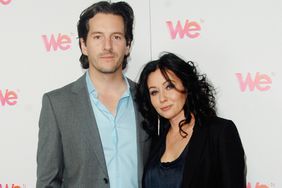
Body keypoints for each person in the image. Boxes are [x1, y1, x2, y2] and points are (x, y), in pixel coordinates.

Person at [36, 1, 150, 188]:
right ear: (83, 45)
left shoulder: (148, 98)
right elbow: (48, 182)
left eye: (116, 37)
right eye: (98, 37)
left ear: (128, 45)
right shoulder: (57, 104)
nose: (107, 46)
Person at [136, 52, 246, 188]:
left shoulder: (220, 131)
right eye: (154, 92)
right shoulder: (156, 140)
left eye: (169, 86)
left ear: (186, 85)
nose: (162, 98)